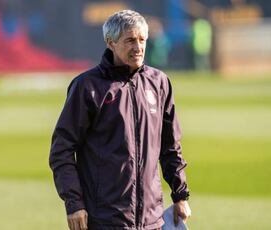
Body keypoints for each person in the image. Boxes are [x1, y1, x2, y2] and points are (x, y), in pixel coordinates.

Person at [49, 10, 191, 230]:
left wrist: (180, 195)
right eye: (130, 40)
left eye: (142, 39)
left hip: (151, 220)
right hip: (104, 219)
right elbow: (62, 149)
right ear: (111, 43)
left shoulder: (159, 83)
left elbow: (170, 146)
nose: (138, 47)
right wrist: (74, 204)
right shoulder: (87, 86)